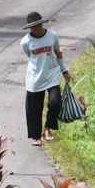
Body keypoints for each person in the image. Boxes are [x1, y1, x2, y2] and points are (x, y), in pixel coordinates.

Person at [20, 11, 70, 146]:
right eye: (33, 27)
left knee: (55, 102)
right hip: (35, 77)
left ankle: (48, 129)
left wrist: (64, 70)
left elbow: (58, 53)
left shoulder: (52, 36)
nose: (36, 29)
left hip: (52, 73)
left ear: (42, 24)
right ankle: (36, 136)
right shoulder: (26, 41)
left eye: (38, 25)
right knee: (34, 108)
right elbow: (29, 55)